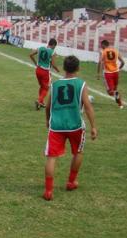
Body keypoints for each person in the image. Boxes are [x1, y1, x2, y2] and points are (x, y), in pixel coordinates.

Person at [43, 56, 97, 201]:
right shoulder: (81, 84)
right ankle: (71, 181)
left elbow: (48, 107)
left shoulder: (55, 85)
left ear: (64, 68)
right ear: (78, 68)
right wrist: (93, 127)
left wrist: (48, 121)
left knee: (51, 157)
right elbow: (88, 106)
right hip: (75, 125)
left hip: (56, 126)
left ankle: (48, 191)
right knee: (78, 152)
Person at [29, 38, 60, 110]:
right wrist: (58, 70)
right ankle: (39, 100)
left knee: (42, 86)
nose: (54, 48)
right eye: (54, 46)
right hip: (45, 72)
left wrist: (36, 63)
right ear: (53, 45)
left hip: (38, 70)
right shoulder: (52, 52)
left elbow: (30, 55)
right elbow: (53, 64)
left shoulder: (40, 48)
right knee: (46, 88)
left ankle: (41, 102)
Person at [97, 40, 125, 108]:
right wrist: (119, 69)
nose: (101, 47)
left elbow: (100, 62)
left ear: (104, 45)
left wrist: (98, 73)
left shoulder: (103, 52)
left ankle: (117, 96)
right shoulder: (115, 51)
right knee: (115, 90)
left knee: (110, 92)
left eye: (101, 45)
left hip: (108, 73)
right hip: (116, 73)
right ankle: (120, 104)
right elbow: (123, 62)